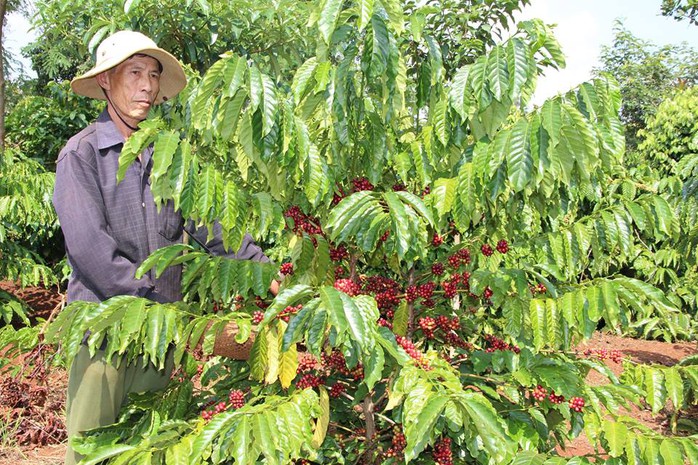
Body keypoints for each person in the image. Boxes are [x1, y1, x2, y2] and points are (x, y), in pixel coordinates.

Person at [53, 30, 274, 465]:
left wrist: (264, 273)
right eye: (134, 73)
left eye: (153, 75)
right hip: (105, 335)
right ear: (105, 82)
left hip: (161, 340)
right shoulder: (80, 155)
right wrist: (157, 309)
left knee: (150, 449)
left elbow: (211, 228)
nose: (148, 86)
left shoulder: (168, 157)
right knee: (93, 448)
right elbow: (91, 250)